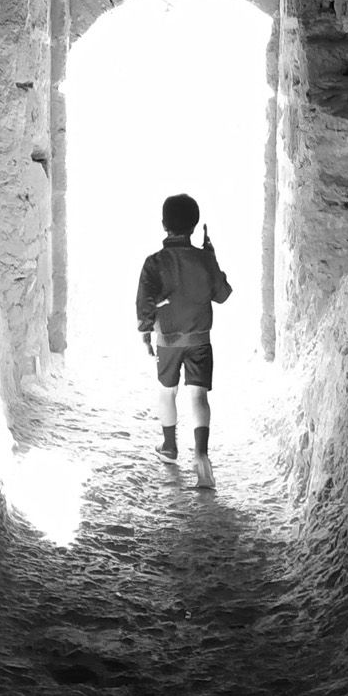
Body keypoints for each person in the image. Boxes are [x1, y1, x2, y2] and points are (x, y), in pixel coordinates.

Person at [135, 193, 232, 489]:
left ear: (164, 224)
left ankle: (169, 447)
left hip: (168, 340)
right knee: (199, 397)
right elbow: (223, 294)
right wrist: (211, 258)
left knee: (167, 393)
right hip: (200, 339)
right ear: (194, 225)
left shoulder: (155, 263)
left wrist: (146, 333)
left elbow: (144, 303)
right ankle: (201, 455)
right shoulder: (203, 258)